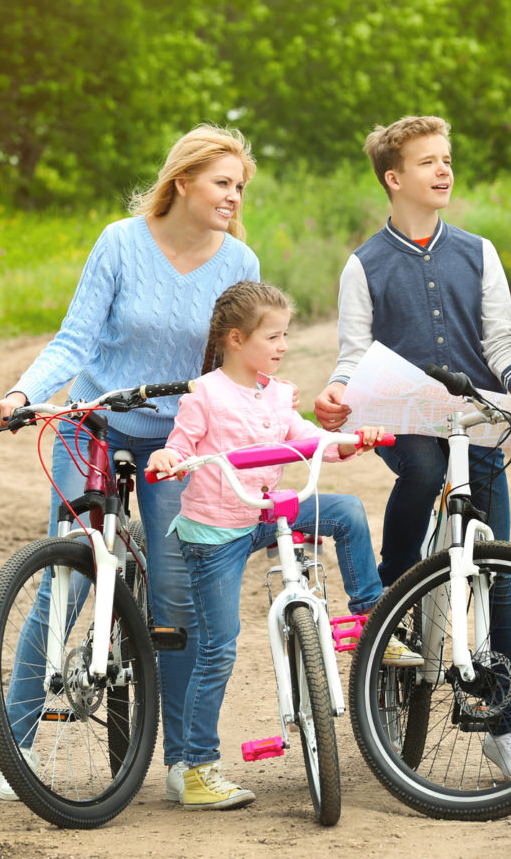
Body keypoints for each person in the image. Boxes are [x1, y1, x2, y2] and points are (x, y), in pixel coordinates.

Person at [0, 125, 261, 802]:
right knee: (66, 579)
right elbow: (76, 338)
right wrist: (24, 393)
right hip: (97, 422)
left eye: (240, 186)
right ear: (183, 181)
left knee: (175, 598)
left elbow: (238, 363)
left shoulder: (238, 263)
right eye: (223, 182)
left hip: (179, 441)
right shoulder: (119, 242)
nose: (234, 196)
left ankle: (188, 766)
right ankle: (16, 749)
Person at [313, 115, 511, 781]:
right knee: (420, 466)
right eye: (429, 162)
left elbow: (503, 344)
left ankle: (504, 722)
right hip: (408, 421)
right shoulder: (364, 265)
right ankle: (392, 599)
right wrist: (338, 393)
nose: (444, 170)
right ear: (395, 178)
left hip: (473, 424)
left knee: (496, 569)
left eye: (447, 159)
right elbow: (354, 354)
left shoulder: (477, 251)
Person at [146, 280, 418, 810]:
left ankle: (371, 622)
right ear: (235, 339)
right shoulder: (204, 395)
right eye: (272, 337)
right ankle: (198, 768)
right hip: (217, 530)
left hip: (268, 512)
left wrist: (348, 441)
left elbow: (304, 437)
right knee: (218, 646)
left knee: (347, 513)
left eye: (285, 335)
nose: (282, 346)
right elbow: (179, 446)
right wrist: (165, 459)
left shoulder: (277, 392)